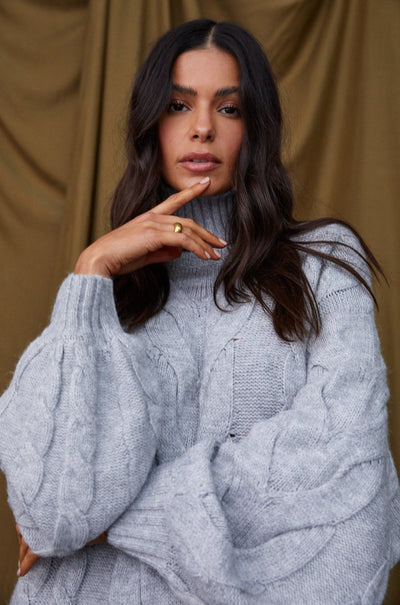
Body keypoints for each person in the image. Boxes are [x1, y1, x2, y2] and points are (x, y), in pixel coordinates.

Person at [1, 18, 399, 604]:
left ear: (256, 127)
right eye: (178, 105)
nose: (203, 127)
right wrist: (90, 271)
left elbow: (344, 472)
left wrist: (117, 523)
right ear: (150, 125)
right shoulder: (108, 296)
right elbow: (53, 512)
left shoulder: (323, 268)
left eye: (229, 108)